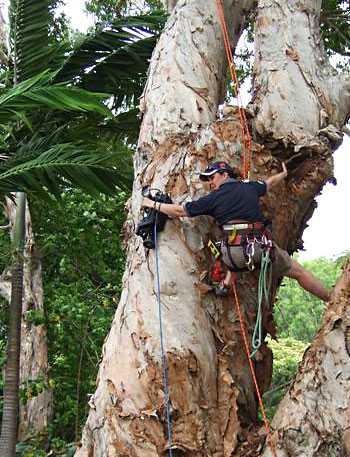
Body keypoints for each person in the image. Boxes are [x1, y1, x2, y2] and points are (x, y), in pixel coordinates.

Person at [142, 161, 331, 301]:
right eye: (207, 180)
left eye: (212, 177)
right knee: (298, 272)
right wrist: (283, 174)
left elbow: (179, 211)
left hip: (232, 256)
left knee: (236, 251)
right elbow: (267, 184)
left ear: (225, 175)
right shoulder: (249, 187)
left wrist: (152, 203)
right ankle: (331, 299)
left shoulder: (213, 199)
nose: (210, 183)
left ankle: (225, 285)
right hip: (259, 250)